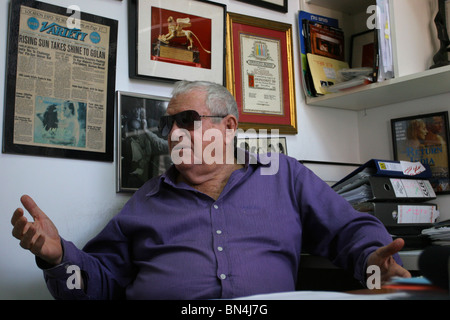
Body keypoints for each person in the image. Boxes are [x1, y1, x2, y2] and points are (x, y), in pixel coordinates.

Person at [11, 80, 410, 300]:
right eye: (169, 125)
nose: (173, 133)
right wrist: (58, 256)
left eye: (187, 119)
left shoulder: (282, 175)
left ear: (229, 127)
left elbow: (348, 230)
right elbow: (98, 283)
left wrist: (374, 264)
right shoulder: (147, 200)